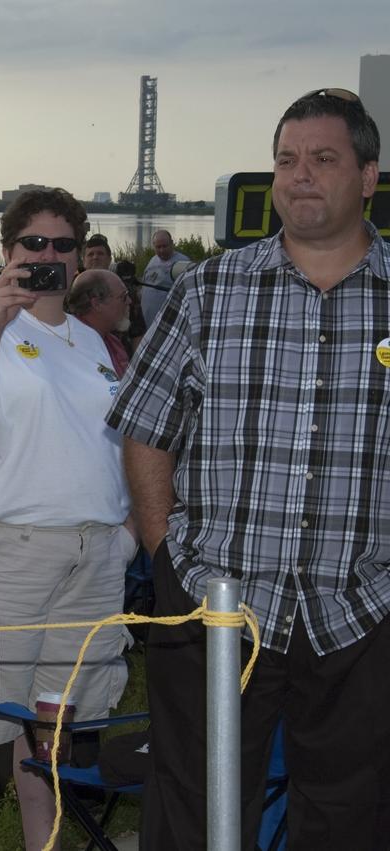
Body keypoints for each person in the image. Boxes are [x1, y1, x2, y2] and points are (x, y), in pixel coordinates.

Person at [107, 87, 389, 850]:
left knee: (353, 818)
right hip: (216, 607)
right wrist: (167, 556)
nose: (300, 176)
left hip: (365, 610)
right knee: (194, 814)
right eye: (286, 160)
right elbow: (146, 428)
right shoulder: (210, 289)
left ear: (368, 176)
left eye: (323, 159)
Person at [0, 188, 133, 851]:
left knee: (54, 728)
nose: (48, 255)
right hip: (15, 548)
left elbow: (117, 440)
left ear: (80, 255)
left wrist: (127, 534)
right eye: (33, 243)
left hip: (97, 552)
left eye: (62, 245)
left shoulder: (94, 340)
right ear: (8, 251)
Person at [65, 269, 131, 378]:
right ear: (97, 304)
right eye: (123, 296)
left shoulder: (112, 341)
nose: (129, 301)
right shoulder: (76, 349)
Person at [139, 229, 189, 326]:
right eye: (158, 247)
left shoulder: (183, 262)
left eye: (164, 246)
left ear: (172, 243)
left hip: (168, 322)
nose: (161, 250)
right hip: (147, 321)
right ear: (154, 246)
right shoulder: (152, 261)